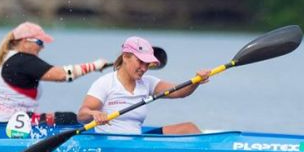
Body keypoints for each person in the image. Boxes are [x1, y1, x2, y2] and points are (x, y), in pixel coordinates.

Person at [0, 22, 108, 125]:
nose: (42, 47)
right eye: (39, 42)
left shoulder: (4, 58)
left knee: (67, 117)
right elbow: (62, 75)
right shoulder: (22, 60)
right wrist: (94, 65)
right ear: (24, 41)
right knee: (71, 119)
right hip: (8, 123)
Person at [78, 36, 210, 134]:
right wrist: (94, 114)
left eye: (147, 64)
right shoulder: (105, 83)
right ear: (125, 57)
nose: (144, 68)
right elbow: (82, 114)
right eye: (140, 61)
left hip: (137, 140)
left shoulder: (148, 83)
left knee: (189, 128)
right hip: (109, 142)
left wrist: (196, 81)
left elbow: (179, 91)